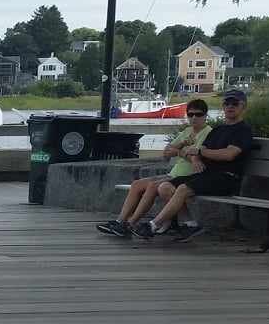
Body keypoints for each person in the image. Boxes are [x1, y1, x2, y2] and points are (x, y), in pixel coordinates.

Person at [134, 90, 256, 241]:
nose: (230, 107)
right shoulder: (218, 130)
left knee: (183, 189)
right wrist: (196, 156)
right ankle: (190, 224)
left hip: (227, 178)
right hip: (206, 175)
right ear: (223, 106)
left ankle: (153, 225)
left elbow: (229, 154)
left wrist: (200, 152)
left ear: (243, 106)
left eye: (234, 103)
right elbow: (199, 151)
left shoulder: (243, 131)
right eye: (227, 103)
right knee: (164, 187)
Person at [99, 98, 210, 238]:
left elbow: (195, 157)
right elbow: (166, 153)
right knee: (137, 184)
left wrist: (178, 151)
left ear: (205, 116)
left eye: (198, 114)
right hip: (174, 173)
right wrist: (181, 148)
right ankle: (119, 221)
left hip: (186, 176)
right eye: (190, 114)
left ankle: (130, 224)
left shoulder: (207, 133)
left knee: (152, 186)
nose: (194, 118)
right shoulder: (187, 131)